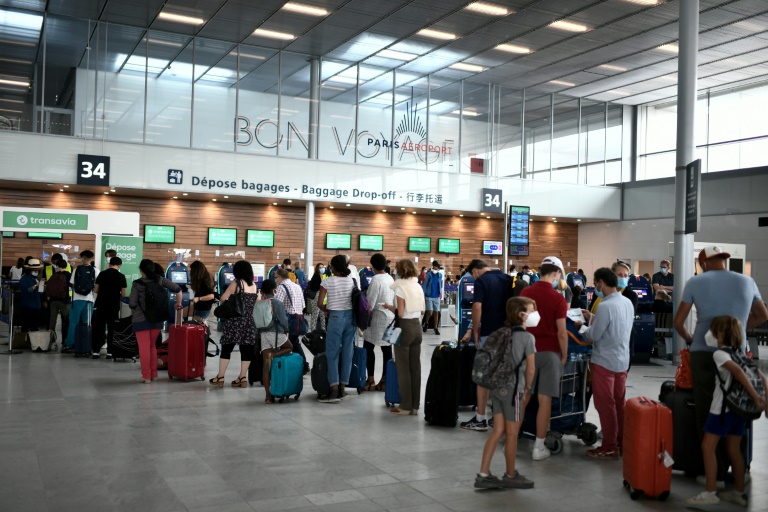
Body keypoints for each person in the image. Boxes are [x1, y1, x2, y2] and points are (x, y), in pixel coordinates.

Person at [674, 246, 768, 487]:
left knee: (707, 409)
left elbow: (678, 323)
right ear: (724, 261)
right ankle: (738, 468)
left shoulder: (696, 282)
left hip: (704, 354)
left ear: (703, 263)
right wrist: (737, 332)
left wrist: (690, 338)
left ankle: (713, 471)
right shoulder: (747, 282)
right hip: (738, 351)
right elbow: (762, 315)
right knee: (738, 406)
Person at [686, 316, 768, 507]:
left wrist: (756, 397)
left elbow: (738, 374)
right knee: (734, 449)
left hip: (721, 410)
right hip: (738, 411)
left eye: (713, 331)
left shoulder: (719, 355)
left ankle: (710, 491)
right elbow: (760, 375)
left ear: (721, 335)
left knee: (708, 447)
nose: (710, 335)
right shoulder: (740, 353)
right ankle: (738, 492)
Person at [475, 297, 537, 490]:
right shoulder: (528, 338)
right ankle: (511, 474)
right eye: (531, 310)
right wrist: (527, 388)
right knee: (512, 433)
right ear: (522, 315)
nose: (535, 314)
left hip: (497, 388)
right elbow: (531, 369)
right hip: (513, 391)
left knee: (498, 431)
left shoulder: (501, 332)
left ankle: (483, 473)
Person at [578, 268, 634, 459]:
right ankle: (621, 442)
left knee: (605, 405)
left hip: (604, 361)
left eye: (596, 284)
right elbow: (616, 326)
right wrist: (593, 319)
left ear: (601, 282)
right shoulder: (626, 302)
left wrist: (582, 327)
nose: (596, 288)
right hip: (621, 361)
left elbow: (595, 335)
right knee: (619, 403)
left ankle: (609, 446)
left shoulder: (605, 306)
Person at [519, 256, 568, 460]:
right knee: (544, 399)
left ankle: (511, 438)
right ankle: (539, 448)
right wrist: (564, 355)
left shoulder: (525, 293)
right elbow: (562, 332)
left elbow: (518, 323)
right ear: (556, 274)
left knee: (523, 396)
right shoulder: (558, 299)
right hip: (549, 354)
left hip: (527, 351)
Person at [460, 259, 512, 432]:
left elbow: (477, 307)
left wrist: (475, 330)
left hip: (488, 334)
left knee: (482, 377)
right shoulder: (505, 278)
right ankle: (502, 417)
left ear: (475, 271)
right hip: (507, 333)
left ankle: (481, 418)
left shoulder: (482, 281)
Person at [129, 259, 182, 383]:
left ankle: (146, 376)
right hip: (157, 319)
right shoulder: (160, 280)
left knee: (144, 348)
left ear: (141, 270)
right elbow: (178, 288)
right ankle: (154, 374)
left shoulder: (137, 284)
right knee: (152, 346)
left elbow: (132, 303)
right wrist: (178, 303)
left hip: (140, 319)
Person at [383, 259, 425, 415]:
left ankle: (405, 406)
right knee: (416, 368)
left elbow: (400, 313)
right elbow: (421, 311)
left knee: (403, 369)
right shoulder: (418, 286)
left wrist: (388, 306)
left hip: (405, 328)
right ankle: (415, 405)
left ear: (400, 271)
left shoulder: (400, 288)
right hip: (417, 328)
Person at [210, 261, 259, 388]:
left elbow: (222, 298)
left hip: (235, 321)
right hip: (249, 322)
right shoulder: (254, 286)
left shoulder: (236, 283)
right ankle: (242, 377)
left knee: (227, 349)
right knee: (246, 350)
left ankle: (220, 376)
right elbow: (256, 303)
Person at [317, 255, 357, 403]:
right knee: (348, 352)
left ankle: (333, 389)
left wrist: (328, 310)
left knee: (332, 353)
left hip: (335, 318)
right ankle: (343, 387)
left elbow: (320, 303)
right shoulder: (351, 281)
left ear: (332, 267)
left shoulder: (327, 281)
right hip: (350, 318)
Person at [257, 279, 293, 403]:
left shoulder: (260, 302)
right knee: (289, 347)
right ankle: (273, 355)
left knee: (266, 367)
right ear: (274, 290)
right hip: (275, 333)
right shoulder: (276, 302)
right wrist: (287, 329)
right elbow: (283, 320)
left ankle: (268, 396)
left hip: (263, 335)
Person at [363, 253, 395, 391]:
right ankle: (385, 380)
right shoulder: (390, 278)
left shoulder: (376, 279)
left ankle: (370, 379)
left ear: (372, 266)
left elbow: (370, 302)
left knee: (368, 347)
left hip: (377, 317)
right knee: (387, 349)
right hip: (389, 317)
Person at [63, 250, 99, 353]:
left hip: (77, 299)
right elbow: (97, 286)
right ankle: (86, 344)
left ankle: (70, 344)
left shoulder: (76, 269)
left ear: (82, 258)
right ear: (91, 259)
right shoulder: (96, 270)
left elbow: (73, 285)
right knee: (87, 323)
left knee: (73, 323)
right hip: (89, 300)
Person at [92, 256, 127, 359]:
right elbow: (124, 294)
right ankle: (110, 352)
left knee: (99, 328)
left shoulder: (102, 274)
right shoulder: (121, 276)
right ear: (119, 265)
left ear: (109, 264)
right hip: (114, 305)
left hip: (100, 304)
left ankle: (96, 351)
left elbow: (96, 290)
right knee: (112, 329)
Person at [275, 268, 307, 370]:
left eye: (276, 277)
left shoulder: (281, 287)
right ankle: (304, 365)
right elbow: (303, 305)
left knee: (286, 344)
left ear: (280, 277)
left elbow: (277, 304)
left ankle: (284, 367)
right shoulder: (297, 286)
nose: (276, 280)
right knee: (295, 342)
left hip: (289, 320)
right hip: (299, 319)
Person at [47, 259, 71, 343]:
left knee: (52, 321)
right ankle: (65, 340)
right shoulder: (68, 275)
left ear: (57, 266)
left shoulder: (54, 275)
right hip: (64, 301)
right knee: (66, 321)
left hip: (53, 301)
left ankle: (50, 340)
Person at [19, 258, 43, 332]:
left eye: (37, 270)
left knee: (35, 326)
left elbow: (39, 292)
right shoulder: (24, 279)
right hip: (28, 305)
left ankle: (34, 341)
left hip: (37, 304)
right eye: (34, 270)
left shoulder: (37, 278)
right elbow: (26, 290)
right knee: (26, 325)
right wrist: (35, 286)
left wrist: (42, 287)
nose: (36, 271)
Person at [422, 261, 444, 336]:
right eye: (436, 267)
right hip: (429, 295)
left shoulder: (440, 275)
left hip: (437, 296)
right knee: (429, 312)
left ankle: (435, 328)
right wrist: (424, 295)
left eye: (438, 267)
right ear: (433, 266)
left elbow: (441, 284)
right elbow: (425, 285)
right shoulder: (429, 275)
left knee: (436, 312)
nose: (437, 268)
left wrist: (440, 293)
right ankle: (426, 323)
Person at [305, 263, 326, 332]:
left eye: (322, 267)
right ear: (317, 268)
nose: (321, 269)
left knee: (322, 314)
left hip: (322, 296)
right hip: (316, 296)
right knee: (315, 314)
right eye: (320, 267)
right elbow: (315, 286)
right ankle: (313, 329)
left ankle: (323, 329)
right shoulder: (316, 276)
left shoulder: (324, 276)